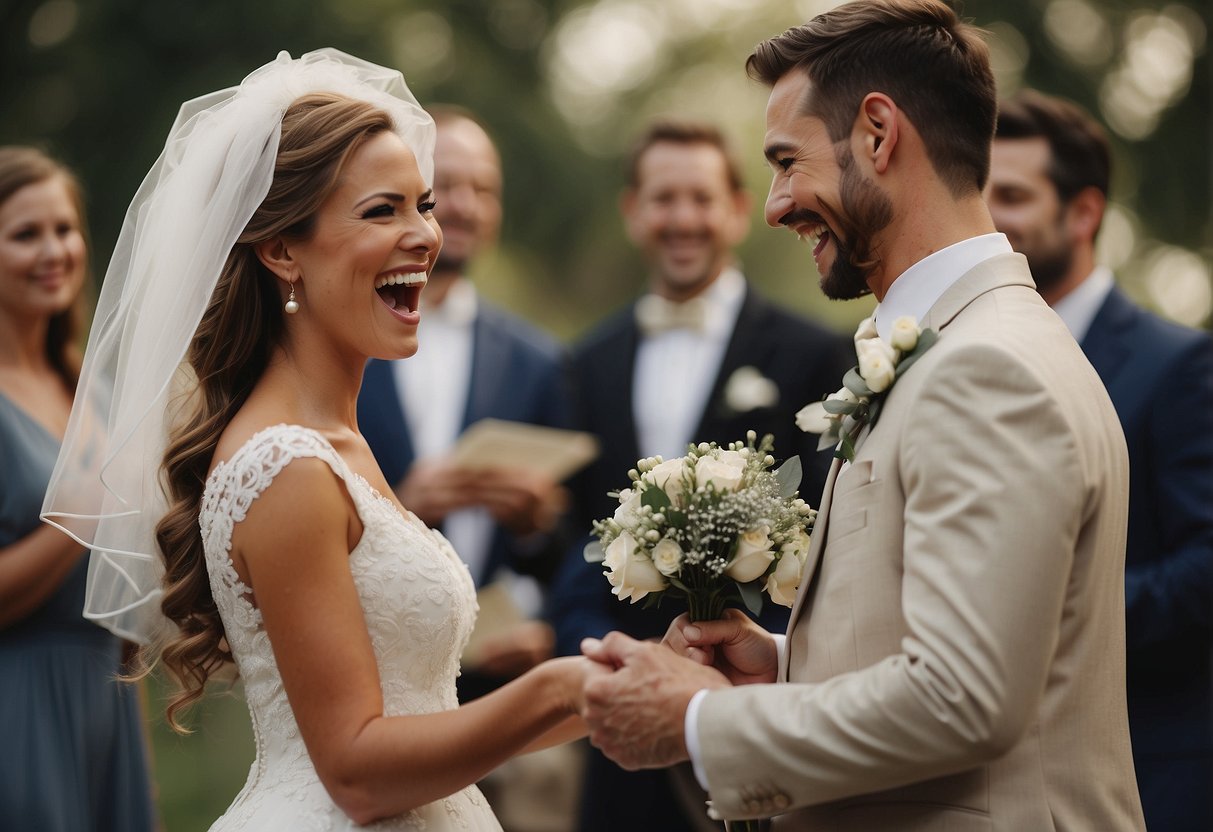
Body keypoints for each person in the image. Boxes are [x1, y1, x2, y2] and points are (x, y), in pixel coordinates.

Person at [576, 3, 1147, 830]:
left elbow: (961, 700)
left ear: (878, 134)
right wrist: (777, 662)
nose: (775, 206)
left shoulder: (986, 370)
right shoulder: (953, 345)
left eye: (785, 161)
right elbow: (945, 648)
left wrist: (698, 721)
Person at [41, 49, 589, 831]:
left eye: (422, 205)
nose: (425, 236)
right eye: (382, 211)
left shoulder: (336, 445)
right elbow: (358, 772)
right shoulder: (284, 466)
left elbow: (424, 716)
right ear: (281, 250)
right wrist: (555, 689)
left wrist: (621, 680)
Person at [548, 120, 849, 832]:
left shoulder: (812, 353)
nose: (682, 219)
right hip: (617, 726)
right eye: (663, 199)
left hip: (755, 720)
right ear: (633, 211)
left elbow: (826, 539)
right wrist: (604, 657)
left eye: (700, 198)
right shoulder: (587, 363)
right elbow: (574, 539)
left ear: (737, 211)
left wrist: (739, 667)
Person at [986, 89, 1213, 832]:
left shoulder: (1177, 365)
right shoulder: (960, 361)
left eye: (1011, 195)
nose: (986, 217)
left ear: (1082, 213)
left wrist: (1044, 622)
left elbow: (1205, 564)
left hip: (1147, 769)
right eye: (977, 192)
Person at [357, 105, 581, 832]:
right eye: (445, 187)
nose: (466, 206)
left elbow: (566, 545)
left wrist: (536, 528)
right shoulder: (341, 342)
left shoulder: (538, 360)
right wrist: (401, 504)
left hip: (501, 687)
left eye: (484, 190)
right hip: (366, 683)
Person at [0, 146, 156, 831]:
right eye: (24, 234)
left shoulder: (88, 389)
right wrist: (86, 511)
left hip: (108, 703)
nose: (53, 251)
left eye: (64, 229)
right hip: (19, 705)